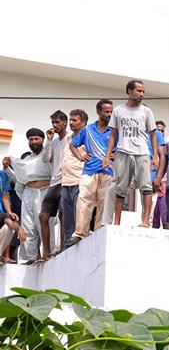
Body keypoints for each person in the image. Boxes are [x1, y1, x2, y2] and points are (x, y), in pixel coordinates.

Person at [103, 79, 158, 227]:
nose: (141, 94)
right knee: (120, 188)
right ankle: (117, 222)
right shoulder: (118, 110)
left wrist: (155, 157)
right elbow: (113, 134)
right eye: (139, 90)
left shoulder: (146, 111)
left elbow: (153, 134)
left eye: (143, 91)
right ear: (129, 91)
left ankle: (145, 221)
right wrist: (108, 156)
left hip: (142, 153)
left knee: (146, 187)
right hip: (123, 151)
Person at [69, 100, 114, 244]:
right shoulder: (87, 130)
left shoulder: (114, 131)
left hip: (108, 171)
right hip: (89, 170)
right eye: (106, 112)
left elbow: (120, 149)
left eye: (111, 112)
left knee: (104, 202)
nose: (109, 114)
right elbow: (73, 145)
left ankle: (99, 230)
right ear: (98, 112)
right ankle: (80, 233)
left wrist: (115, 155)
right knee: (84, 201)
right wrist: (80, 156)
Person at [4, 129, 51, 264]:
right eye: (31, 139)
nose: (34, 142)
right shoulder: (26, 160)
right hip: (29, 193)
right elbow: (19, 179)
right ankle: (31, 257)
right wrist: (6, 167)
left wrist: (49, 140)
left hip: (46, 192)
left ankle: (49, 253)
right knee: (29, 226)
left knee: (47, 223)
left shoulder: (48, 156)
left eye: (36, 139)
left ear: (42, 140)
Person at [39, 110, 68, 259]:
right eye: (53, 123)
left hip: (67, 181)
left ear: (65, 123)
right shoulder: (54, 141)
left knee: (62, 216)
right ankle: (46, 252)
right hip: (54, 183)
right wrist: (49, 140)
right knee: (43, 216)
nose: (54, 125)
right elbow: (45, 159)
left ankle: (63, 247)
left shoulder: (71, 138)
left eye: (57, 122)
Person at [58, 109, 88, 250]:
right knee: (67, 220)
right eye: (70, 119)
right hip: (66, 183)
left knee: (79, 217)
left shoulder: (89, 137)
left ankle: (80, 246)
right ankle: (66, 248)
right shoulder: (68, 139)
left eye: (74, 120)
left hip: (80, 180)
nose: (71, 123)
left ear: (84, 122)